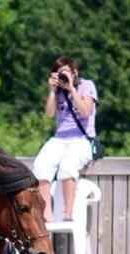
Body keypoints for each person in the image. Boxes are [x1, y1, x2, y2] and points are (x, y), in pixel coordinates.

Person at [33, 56, 98, 221]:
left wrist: (72, 90)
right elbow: (48, 114)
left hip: (82, 138)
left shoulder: (86, 86)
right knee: (41, 166)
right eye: (58, 74)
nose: (62, 77)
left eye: (65, 73)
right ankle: (47, 216)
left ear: (75, 73)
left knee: (67, 167)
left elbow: (85, 112)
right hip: (59, 138)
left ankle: (67, 215)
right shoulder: (57, 91)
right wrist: (52, 91)